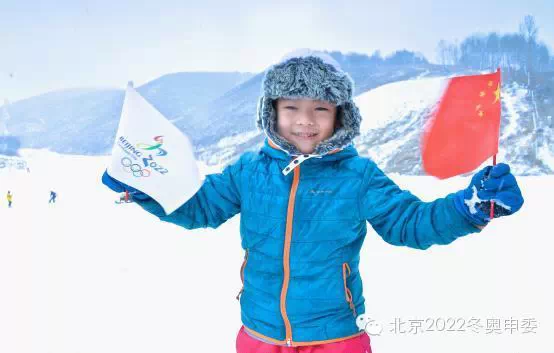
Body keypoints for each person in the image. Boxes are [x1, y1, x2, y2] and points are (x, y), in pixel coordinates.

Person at [102, 51, 524, 353]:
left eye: (320, 108)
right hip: (260, 332)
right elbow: (200, 208)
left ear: (340, 116)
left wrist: (465, 209)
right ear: (273, 112)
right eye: (292, 107)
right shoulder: (249, 170)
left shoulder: (358, 177)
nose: (305, 120)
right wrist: (150, 189)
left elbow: (409, 223)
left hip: (336, 336)